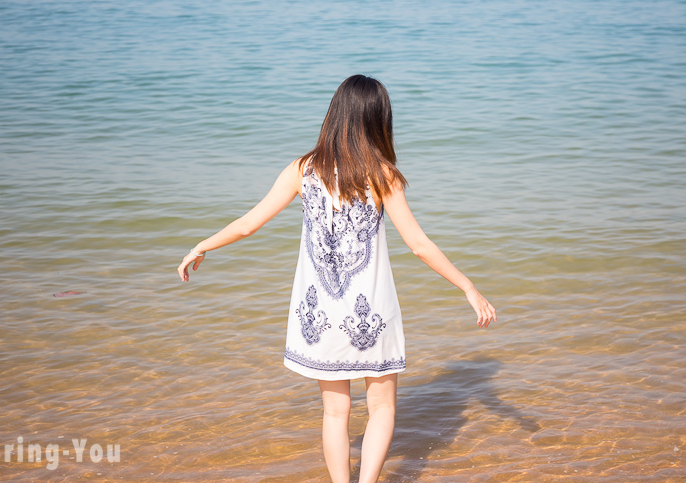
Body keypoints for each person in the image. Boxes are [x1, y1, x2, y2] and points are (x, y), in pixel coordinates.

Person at [177, 74, 496, 483]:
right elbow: (418, 244)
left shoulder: (302, 170)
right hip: (371, 314)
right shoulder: (383, 175)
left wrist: (201, 246)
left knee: (334, 412)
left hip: (320, 315)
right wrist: (468, 286)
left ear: (335, 115)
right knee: (381, 407)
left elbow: (249, 224)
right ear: (377, 120)